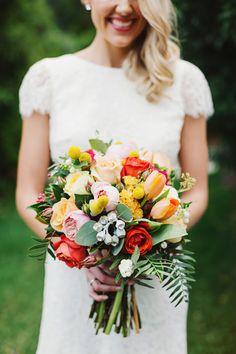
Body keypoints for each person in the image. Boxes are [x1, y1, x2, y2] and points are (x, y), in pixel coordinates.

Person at [16, 0, 215, 353]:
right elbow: (28, 191)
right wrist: (81, 253)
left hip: (152, 276)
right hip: (72, 278)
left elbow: (196, 190)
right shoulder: (49, 78)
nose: (125, 7)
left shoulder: (183, 80)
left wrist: (150, 245)